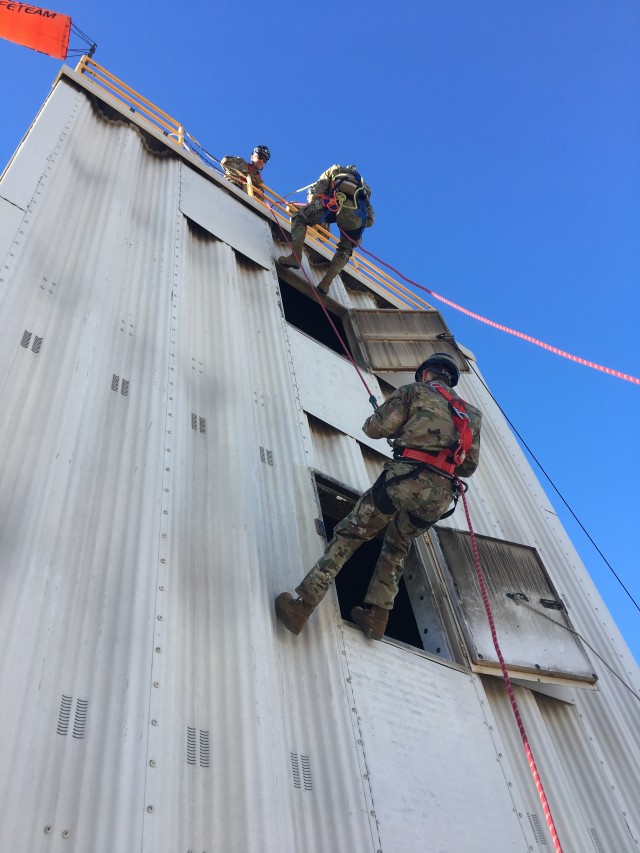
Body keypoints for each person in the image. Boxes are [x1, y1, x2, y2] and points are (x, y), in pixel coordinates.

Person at [275, 353, 482, 641]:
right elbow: (468, 468)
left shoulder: (414, 391)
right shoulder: (471, 414)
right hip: (441, 497)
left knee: (351, 534)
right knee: (398, 545)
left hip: (405, 479)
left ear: (425, 374)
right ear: (450, 378)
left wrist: (381, 417)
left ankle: (303, 606)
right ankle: (376, 617)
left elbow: (376, 429)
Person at [277, 164, 374, 294]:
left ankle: (295, 257)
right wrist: (355, 223)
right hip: (356, 217)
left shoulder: (336, 169)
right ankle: (326, 283)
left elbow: (321, 185)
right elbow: (370, 219)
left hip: (333, 205)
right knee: (345, 250)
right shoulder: (364, 187)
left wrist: (316, 203)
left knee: (300, 218)